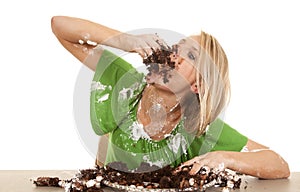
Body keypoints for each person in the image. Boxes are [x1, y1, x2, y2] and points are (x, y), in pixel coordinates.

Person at [51, 16, 290, 179]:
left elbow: (278, 164)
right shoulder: (125, 81)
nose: (174, 55)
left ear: (198, 85)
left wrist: (223, 158)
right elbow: (60, 25)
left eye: (191, 56)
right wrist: (125, 40)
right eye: (176, 47)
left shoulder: (198, 129)